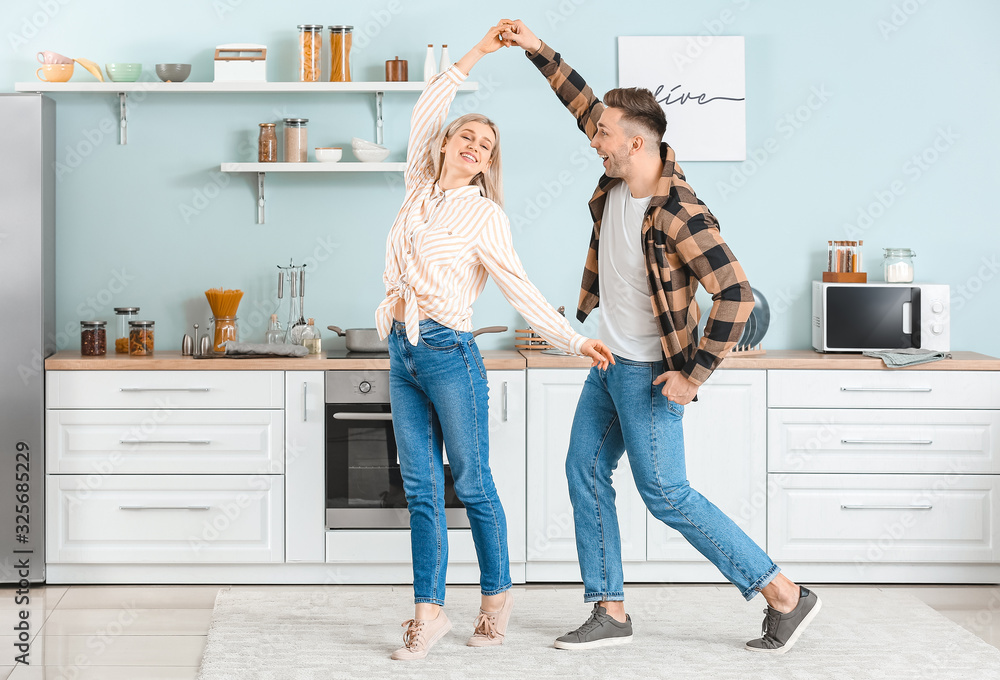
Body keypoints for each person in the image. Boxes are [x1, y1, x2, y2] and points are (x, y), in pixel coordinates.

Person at [498, 20, 821, 654]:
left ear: (638, 142)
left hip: (649, 372)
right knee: (584, 471)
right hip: (609, 361)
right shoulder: (621, 179)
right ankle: (609, 610)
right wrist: (537, 48)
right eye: (596, 130)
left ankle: (783, 592)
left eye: (604, 134)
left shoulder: (679, 211)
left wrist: (693, 375)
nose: (594, 138)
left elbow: (737, 295)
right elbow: (582, 100)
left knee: (666, 493)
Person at [375, 24, 615, 661]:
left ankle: (495, 596)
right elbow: (430, 101)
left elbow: (520, 287)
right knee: (421, 490)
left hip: (451, 355)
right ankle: (428, 615)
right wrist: (479, 51)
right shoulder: (417, 188)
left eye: (486, 145)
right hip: (402, 350)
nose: (476, 147)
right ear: (447, 144)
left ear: (489, 161)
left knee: (473, 484)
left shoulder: (484, 215)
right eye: (468, 137)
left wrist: (571, 338)